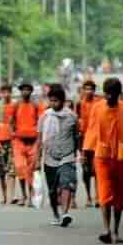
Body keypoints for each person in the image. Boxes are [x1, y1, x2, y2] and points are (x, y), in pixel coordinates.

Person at [83, 78, 123, 244]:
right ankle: (106, 229)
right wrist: (87, 152)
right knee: (105, 192)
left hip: (121, 156)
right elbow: (91, 130)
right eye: (107, 94)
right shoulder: (97, 108)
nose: (110, 97)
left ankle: (116, 230)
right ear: (104, 93)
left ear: (118, 94)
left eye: (113, 94)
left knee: (120, 194)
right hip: (102, 156)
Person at [36, 84, 79, 227]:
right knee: (52, 190)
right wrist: (37, 159)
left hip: (67, 156)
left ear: (63, 101)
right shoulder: (45, 117)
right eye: (52, 100)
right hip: (49, 158)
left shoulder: (72, 116)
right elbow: (39, 139)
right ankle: (56, 214)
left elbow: (76, 137)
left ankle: (65, 213)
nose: (54, 103)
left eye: (57, 100)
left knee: (66, 184)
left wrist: (77, 153)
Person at [11, 82, 40, 206]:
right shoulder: (16, 105)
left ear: (31, 92)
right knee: (20, 168)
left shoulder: (36, 105)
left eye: (28, 89)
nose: (26, 92)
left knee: (30, 170)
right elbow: (12, 121)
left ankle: (31, 196)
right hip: (19, 142)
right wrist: (14, 134)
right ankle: (23, 195)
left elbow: (39, 121)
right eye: (23, 89)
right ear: (20, 91)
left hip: (33, 142)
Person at [76, 80, 101, 208]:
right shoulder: (80, 104)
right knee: (86, 171)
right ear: (83, 90)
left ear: (94, 90)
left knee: (97, 170)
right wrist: (79, 147)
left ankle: (98, 197)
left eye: (91, 89)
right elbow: (78, 124)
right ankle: (88, 197)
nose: (88, 91)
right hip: (85, 141)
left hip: (97, 140)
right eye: (86, 89)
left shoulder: (99, 103)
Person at [0, 84, 15, 204]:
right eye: (4, 92)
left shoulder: (15, 105)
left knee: (11, 170)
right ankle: (3, 194)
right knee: (1, 171)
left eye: (8, 92)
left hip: (11, 140)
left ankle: (11, 196)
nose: (6, 94)